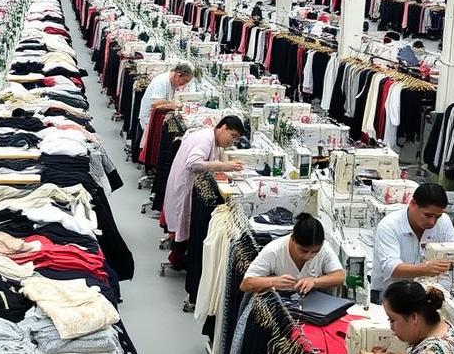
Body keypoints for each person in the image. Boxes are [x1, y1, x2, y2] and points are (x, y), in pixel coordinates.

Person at [163, 115, 245, 270]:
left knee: (185, 225)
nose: (232, 141)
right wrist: (223, 166)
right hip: (185, 186)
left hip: (187, 183)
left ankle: (180, 257)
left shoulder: (210, 137)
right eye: (232, 136)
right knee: (187, 224)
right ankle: (180, 260)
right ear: (223, 128)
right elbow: (193, 163)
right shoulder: (205, 140)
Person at [370, 182, 454, 302]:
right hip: (390, 295)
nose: (432, 222)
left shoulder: (443, 222)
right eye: (428, 215)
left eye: (437, 217)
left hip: (426, 293)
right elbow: (391, 268)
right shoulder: (389, 226)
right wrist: (425, 269)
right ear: (412, 204)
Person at [240, 213, 346, 295]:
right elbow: (246, 284)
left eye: (314, 252)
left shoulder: (324, 249)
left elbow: (339, 277)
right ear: (292, 239)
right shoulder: (274, 251)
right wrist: (273, 281)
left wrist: (315, 281)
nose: (308, 256)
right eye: (303, 251)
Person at [138, 62, 195, 131]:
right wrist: (173, 105)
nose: (184, 84)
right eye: (185, 81)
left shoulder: (172, 82)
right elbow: (156, 103)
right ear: (178, 75)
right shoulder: (162, 82)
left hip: (155, 119)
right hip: (148, 120)